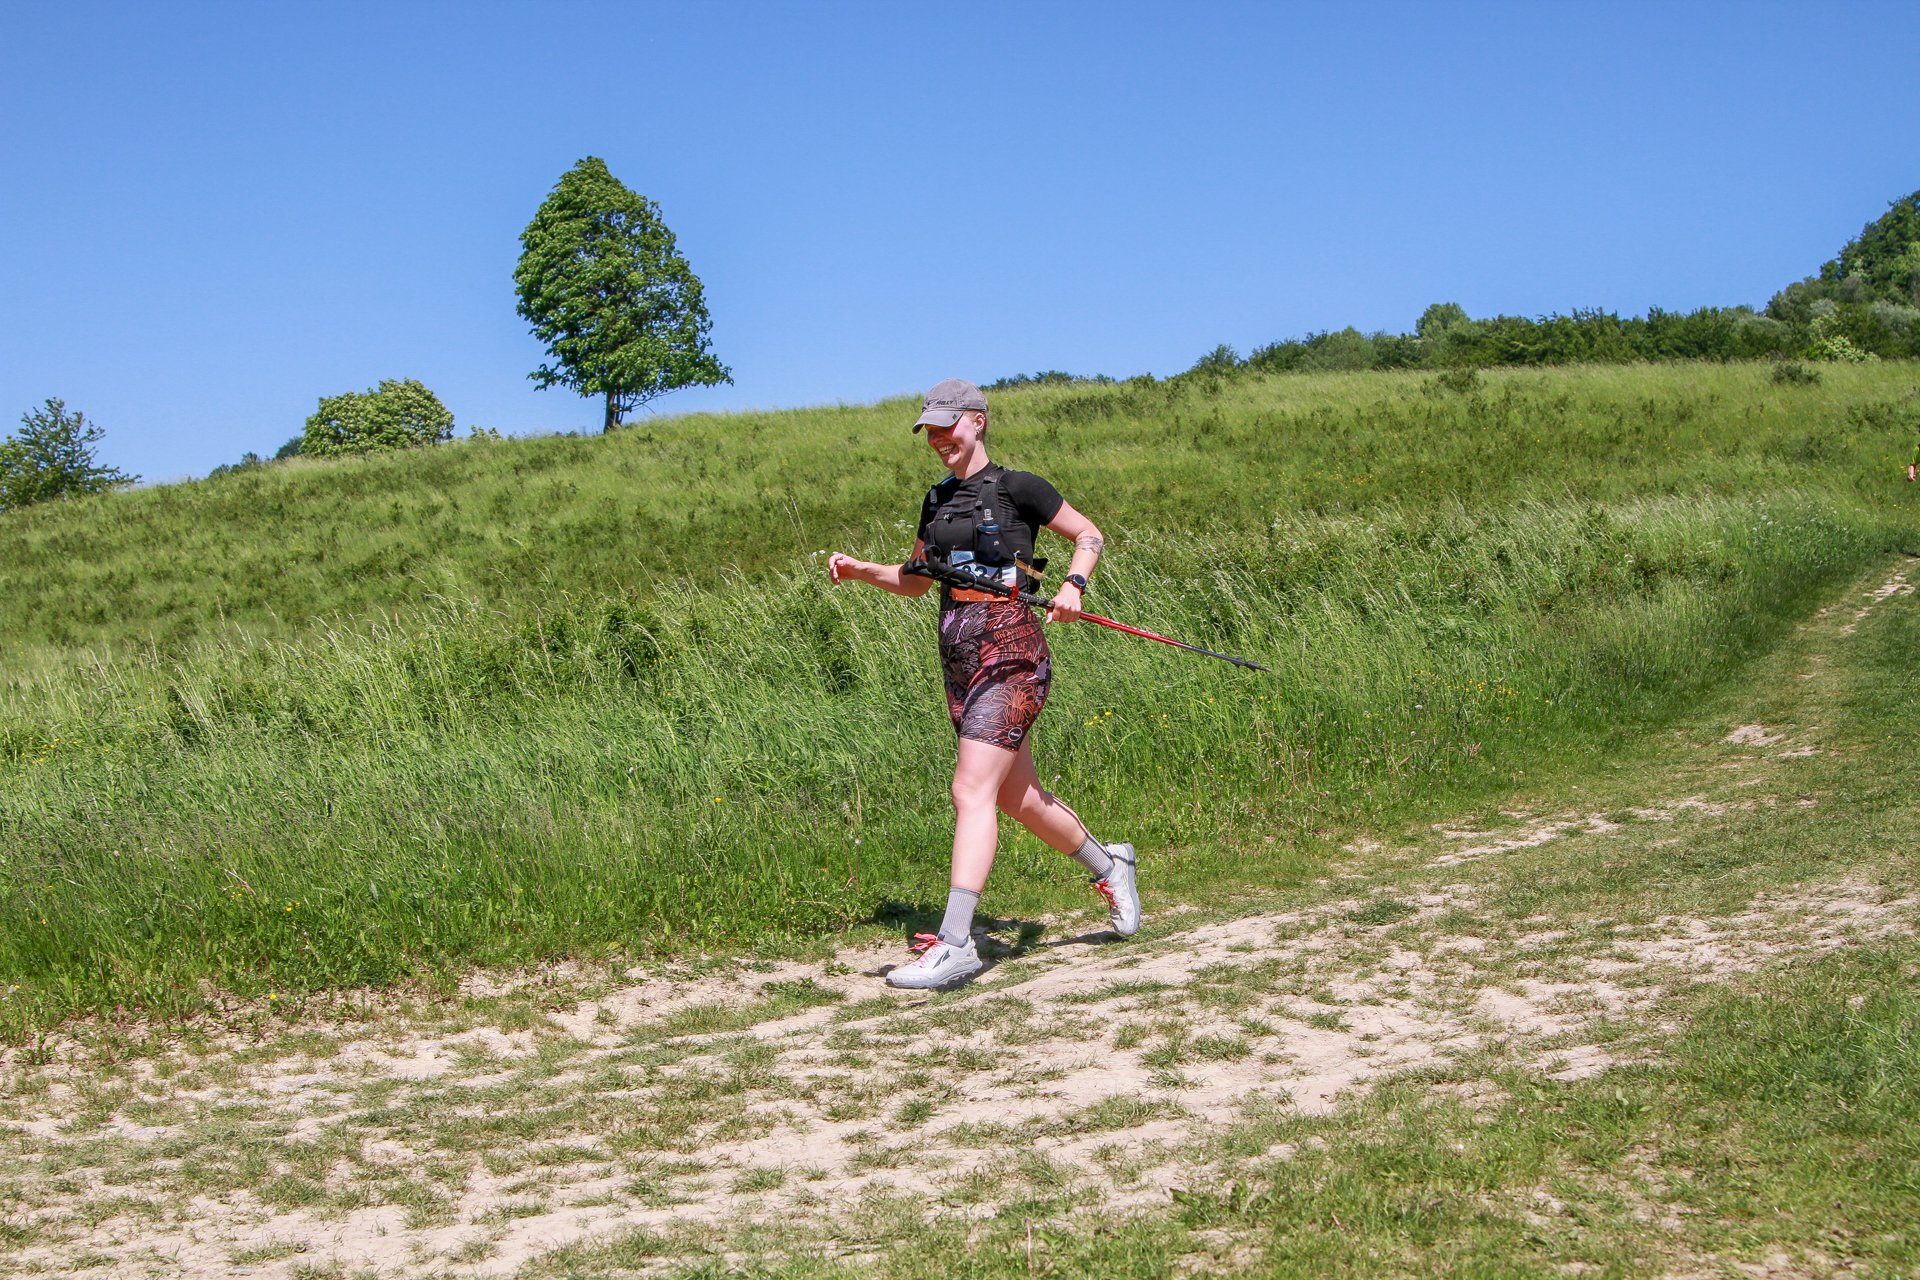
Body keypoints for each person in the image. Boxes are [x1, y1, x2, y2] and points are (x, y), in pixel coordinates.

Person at [828, 378, 1141, 989]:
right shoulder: (937, 500)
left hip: (1012, 650)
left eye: (947, 425)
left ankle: (956, 943)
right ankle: (1111, 865)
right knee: (1018, 800)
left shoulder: (1020, 487)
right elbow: (918, 580)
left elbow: (1089, 534)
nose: (938, 438)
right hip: (960, 654)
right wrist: (864, 571)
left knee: (970, 789)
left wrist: (1074, 585)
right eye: (930, 430)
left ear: (978, 420)